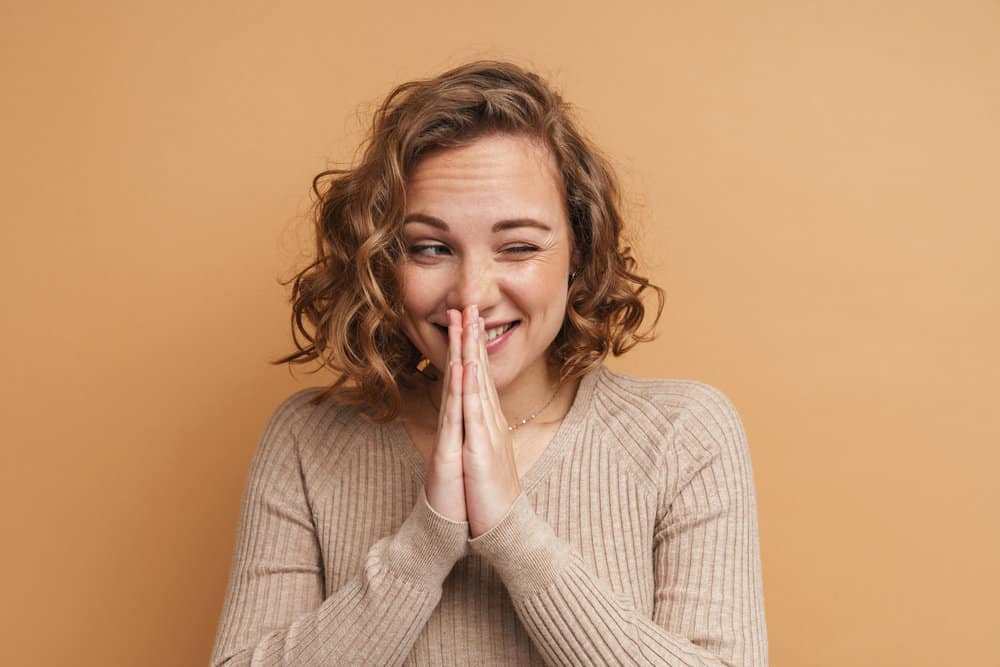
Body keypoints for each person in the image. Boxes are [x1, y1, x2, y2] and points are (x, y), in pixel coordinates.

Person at [210, 60, 768, 666]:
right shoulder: (308, 440)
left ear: (578, 250)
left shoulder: (683, 436)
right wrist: (425, 542)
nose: (472, 294)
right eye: (430, 248)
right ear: (384, 264)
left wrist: (513, 533)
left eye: (519, 247)